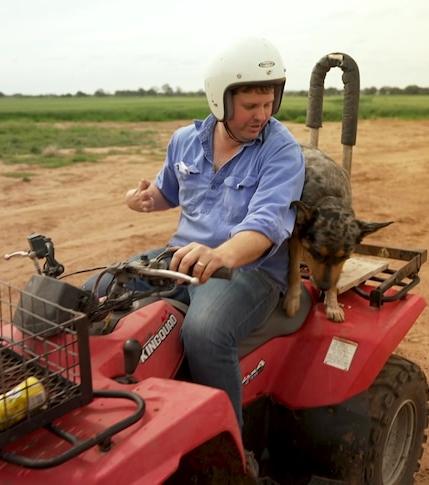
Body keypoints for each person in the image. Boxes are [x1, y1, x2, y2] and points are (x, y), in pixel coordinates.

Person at [85, 36, 304, 431]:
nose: (262, 115)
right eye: (251, 106)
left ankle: (229, 442)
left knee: (204, 333)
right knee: (91, 293)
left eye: (269, 103)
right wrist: (143, 200)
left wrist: (222, 255)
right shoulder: (185, 142)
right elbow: (164, 193)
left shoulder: (281, 150)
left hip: (248, 271)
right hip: (180, 257)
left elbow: (265, 227)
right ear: (220, 100)